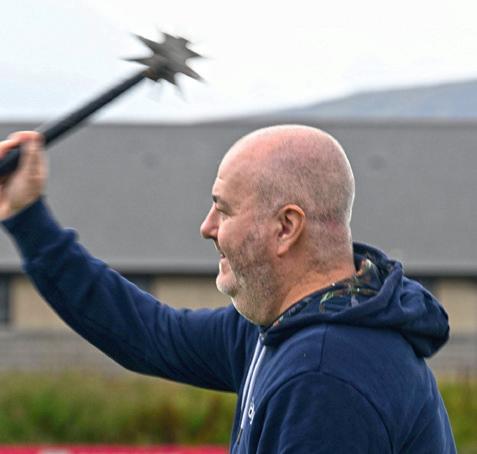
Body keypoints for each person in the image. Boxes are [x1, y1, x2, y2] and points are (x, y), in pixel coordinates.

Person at [0, 126, 456, 453]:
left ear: (286, 227)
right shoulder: (280, 329)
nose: (207, 227)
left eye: (224, 210)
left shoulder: (323, 379)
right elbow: (148, 333)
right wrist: (27, 217)